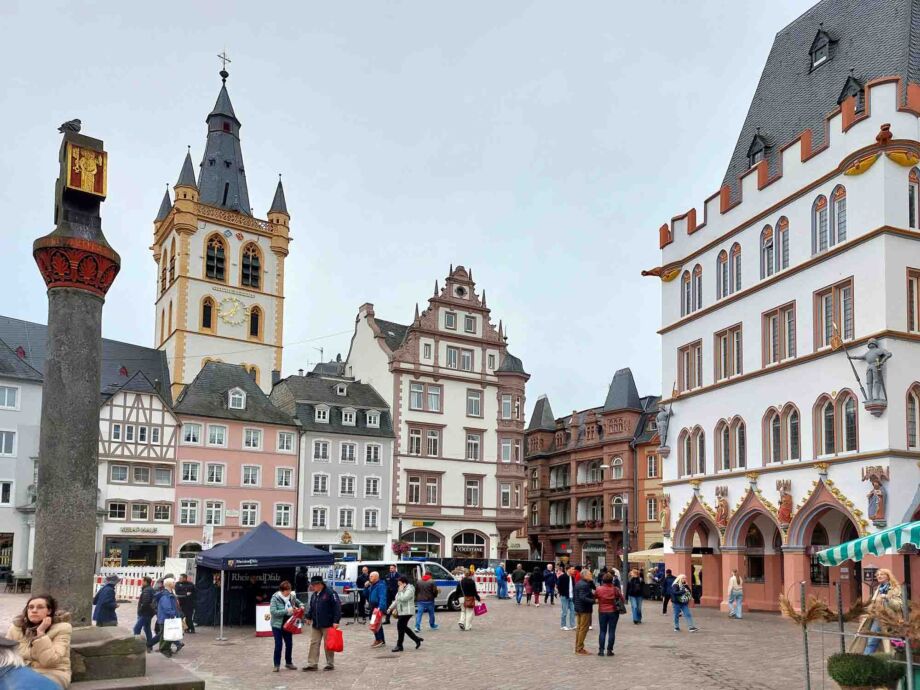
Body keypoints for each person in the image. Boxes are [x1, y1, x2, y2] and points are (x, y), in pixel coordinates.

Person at [7, 594, 72, 687]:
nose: (34, 610)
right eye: (30, 607)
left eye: (40, 607)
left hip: (52, 673)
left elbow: (49, 661)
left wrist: (41, 634)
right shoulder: (16, 628)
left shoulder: (62, 628)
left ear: (49, 611)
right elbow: (6, 654)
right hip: (21, 671)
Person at [860, 569, 903, 655]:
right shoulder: (878, 589)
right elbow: (874, 604)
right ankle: (866, 659)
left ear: (888, 576)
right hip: (879, 619)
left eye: (882, 574)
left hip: (892, 620)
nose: (879, 576)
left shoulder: (895, 588)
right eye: (877, 575)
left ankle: (896, 663)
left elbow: (898, 606)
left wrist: (886, 597)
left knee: (895, 644)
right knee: (872, 640)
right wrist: (868, 612)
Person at [302, 576, 341, 672]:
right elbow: (312, 608)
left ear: (320, 584)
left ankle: (330, 664)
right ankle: (312, 664)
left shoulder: (330, 593)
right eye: (312, 585)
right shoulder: (314, 595)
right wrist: (308, 617)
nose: (312, 587)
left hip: (328, 623)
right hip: (316, 623)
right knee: (314, 643)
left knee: (328, 644)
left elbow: (337, 607)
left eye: (313, 585)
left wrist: (336, 621)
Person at [269, 580, 302, 672]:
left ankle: (288, 663)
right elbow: (273, 612)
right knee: (278, 644)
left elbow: (299, 602)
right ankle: (276, 664)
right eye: (286, 590)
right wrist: (287, 611)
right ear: (282, 591)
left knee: (289, 644)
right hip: (277, 625)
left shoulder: (292, 596)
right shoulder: (275, 598)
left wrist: (301, 606)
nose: (288, 592)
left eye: (289, 589)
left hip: (288, 624)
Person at [388, 576, 423, 652]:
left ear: (404, 583)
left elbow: (404, 598)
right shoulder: (401, 589)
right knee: (403, 627)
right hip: (401, 611)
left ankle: (399, 645)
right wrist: (390, 608)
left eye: (399, 583)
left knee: (400, 626)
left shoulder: (410, 589)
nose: (398, 584)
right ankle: (416, 639)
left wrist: (400, 591)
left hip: (407, 611)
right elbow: (397, 600)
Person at [595, 573, 625, 657]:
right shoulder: (615, 589)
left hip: (602, 611)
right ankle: (609, 650)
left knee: (602, 631)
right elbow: (622, 599)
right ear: (612, 580)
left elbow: (594, 597)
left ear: (603, 580)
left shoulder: (599, 589)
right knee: (612, 631)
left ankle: (601, 650)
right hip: (613, 611)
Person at [157, 578, 186, 657]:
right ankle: (164, 650)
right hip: (166, 619)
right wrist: (173, 615)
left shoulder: (169, 593)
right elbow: (167, 608)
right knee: (166, 635)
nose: (175, 584)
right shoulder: (166, 595)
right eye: (173, 582)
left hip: (168, 618)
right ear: (169, 584)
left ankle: (166, 649)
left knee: (168, 634)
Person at [572, 569, 595, 655]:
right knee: (583, 629)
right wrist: (594, 601)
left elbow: (576, 597)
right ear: (585, 575)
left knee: (579, 628)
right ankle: (579, 648)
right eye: (590, 574)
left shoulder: (579, 583)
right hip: (584, 609)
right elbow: (583, 597)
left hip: (579, 608)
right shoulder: (584, 585)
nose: (591, 575)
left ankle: (578, 647)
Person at [133, 577, 156, 652]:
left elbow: (145, 603)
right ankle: (149, 645)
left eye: (142, 581)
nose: (141, 582)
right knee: (147, 628)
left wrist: (140, 610)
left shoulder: (147, 590)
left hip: (145, 613)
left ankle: (137, 645)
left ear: (146, 582)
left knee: (136, 628)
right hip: (149, 612)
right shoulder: (150, 589)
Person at [367, 572, 388, 648]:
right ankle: (380, 639)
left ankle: (379, 640)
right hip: (373, 606)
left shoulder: (381, 585)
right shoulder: (372, 585)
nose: (370, 577)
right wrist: (366, 587)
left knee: (376, 623)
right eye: (370, 576)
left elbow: (382, 597)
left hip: (377, 607)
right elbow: (365, 594)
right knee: (375, 623)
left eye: (371, 576)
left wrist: (380, 607)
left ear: (376, 577)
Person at [558, 566, 575, 630]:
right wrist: (562, 593)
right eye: (572, 569)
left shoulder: (572, 577)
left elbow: (573, 586)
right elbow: (559, 586)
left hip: (571, 596)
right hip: (565, 596)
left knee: (573, 611)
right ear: (568, 570)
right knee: (564, 611)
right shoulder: (562, 577)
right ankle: (563, 625)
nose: (573, 570)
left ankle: (572, 625)